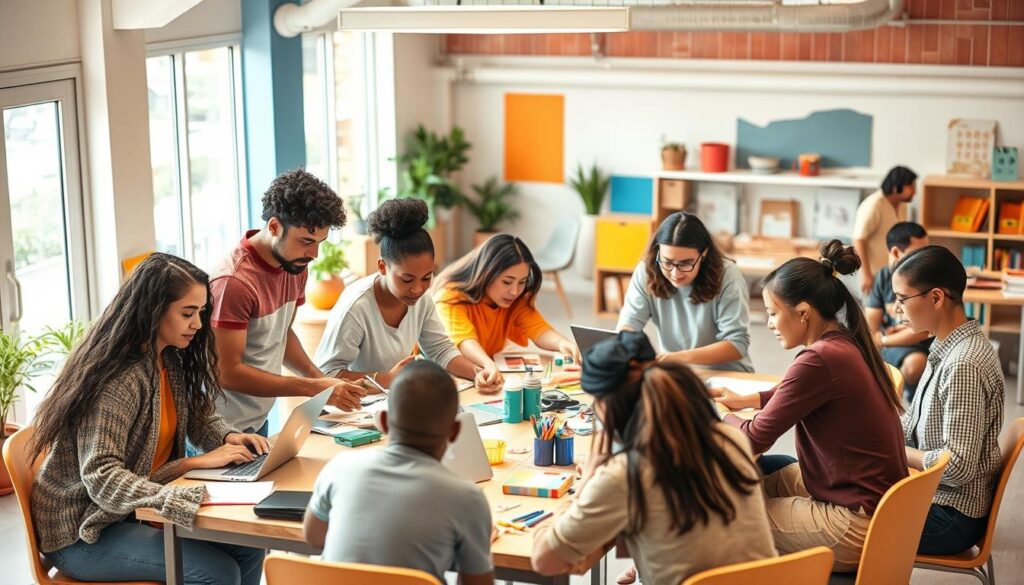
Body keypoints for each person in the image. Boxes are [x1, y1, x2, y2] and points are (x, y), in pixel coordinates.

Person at [28, 254, 267, 584]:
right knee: (217, 572)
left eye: (201, 312)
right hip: (84, 531)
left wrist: (227, 437)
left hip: (127, 513)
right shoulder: (119, 381)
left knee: (248, 546)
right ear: (154, 311)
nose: (197, 324)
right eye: (187, 313)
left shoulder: (169, 357)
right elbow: (101, 475)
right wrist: (176, 487)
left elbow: (199, 414)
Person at [712, 240, 909, 572]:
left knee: (728, 517)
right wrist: (749, 400)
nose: (770, 323)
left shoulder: (819, 358)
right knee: (737, 490)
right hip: (871, 504)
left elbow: (753, 438)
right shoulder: (841, 341)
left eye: (773, 313)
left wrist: (721, 414)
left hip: (855, 522)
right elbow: (798, 388)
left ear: (803, 312)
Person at [531, 331, 776, 585]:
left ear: (605, 406)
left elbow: (544, 561)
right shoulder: (729, 438)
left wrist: (586, 483)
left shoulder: (626, 474)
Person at [303, 360, 494, 585]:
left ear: (383, 422)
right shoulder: (467, 499)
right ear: (454, 432)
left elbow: (314, 537)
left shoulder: (340, 467)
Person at [209, 169, 365, 436]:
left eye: (320, 242)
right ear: (273, 227)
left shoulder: (294, 265)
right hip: (217, 428)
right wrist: (311, 388)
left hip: (256, 420)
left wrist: (322, 382)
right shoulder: (233, 283)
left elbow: (281, 334)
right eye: (306, 241)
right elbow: (227, 372)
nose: (314, 254)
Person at [313, 198, 502, 391]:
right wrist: (385, 379)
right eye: (407, 279)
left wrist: (478, 372)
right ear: (382, 267)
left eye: (427, 277)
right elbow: (326, 373)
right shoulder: (356, 307)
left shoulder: (422, 298)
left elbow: (440, 350)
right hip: (355, 410)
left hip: (397, 399)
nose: (418, 289)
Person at [892, 245, 1004, 555]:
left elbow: (957, 467)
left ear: (936, 298)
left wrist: (899, 452)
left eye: (902, 299)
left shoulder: (963, 364)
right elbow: (914, 422)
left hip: (951, 515)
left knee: (841, 515)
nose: (895, 308)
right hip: (936, 498)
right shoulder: (946, 346)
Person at [617, 211, 752, 372]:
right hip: (676, 373)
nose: (675, 273)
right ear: (658, 251)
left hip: (727, 374)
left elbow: (737, 345)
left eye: (686, 263)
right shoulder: (646, 271)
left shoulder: (727, 275)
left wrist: (679, 358)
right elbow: (628, 326)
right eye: (667, 262)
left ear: (704, 253)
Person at [434, 234, 579, 379]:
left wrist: (562, 343)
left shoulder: (516, 300)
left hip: (484, 368)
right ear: (486, 273)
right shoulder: (450, 296)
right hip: (445, 373)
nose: (515, 291)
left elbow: (539, 329)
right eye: (507, 282)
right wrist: (489, 365)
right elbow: (464, 341)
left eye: (522, 282)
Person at [865, 221, 932, 399]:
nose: (923, 258)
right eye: (917, 252)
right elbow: (872, 325)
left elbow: (923, 332)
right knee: (914, 364)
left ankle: (910, 398)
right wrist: (879, 340)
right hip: (895, 344)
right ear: (896, 252)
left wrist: (883, 339)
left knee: (917, 363)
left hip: (918, 342)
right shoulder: (883, 277)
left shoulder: (925, 277)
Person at [853, 165, 917, 295]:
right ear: (896, 187)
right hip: (873, 275)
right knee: (871, 313)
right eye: (911, 187)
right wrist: (866, 275)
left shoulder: (902, 205)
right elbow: (859, 240)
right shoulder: (874, 206)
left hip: (894, 272)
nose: (914, 192)